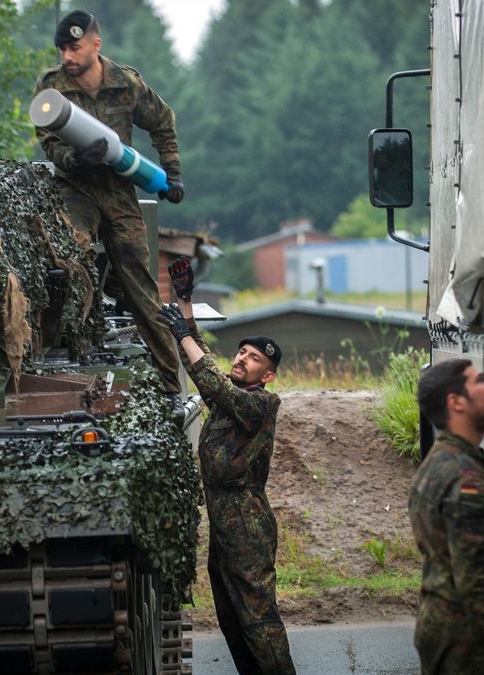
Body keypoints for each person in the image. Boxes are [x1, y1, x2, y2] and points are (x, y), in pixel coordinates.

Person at [34, 10, 185, 406]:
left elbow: (163, 122)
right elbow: (49, 144)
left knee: (140, 287)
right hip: (74, 188)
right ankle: (67, 367)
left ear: (95, 44)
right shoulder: (51, 89)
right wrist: (78, 158)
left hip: (119, 190)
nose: (67, 55)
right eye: (62, 48)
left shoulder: (126, 83)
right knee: (70, 256)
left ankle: (171, 384)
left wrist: (172, 174)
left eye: (75, 47)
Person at [156, 257, 296, 675]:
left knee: (257, 617)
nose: (241, 359)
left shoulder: (258, 404)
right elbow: (203, 366)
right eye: (241, 352)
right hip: (225, 520)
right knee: (231, 617)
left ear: (267, 375)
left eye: (253, 358)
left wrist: (182, 332)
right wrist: (185, 302)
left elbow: (210, 377)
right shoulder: (229, 396)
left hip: (246, 521)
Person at [409, 359, 484, 674]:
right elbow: (480, 583)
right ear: (456, 402)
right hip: (470, 644)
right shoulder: (465, 480)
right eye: (480, 381)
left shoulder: (444, 463)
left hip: (451, 633)